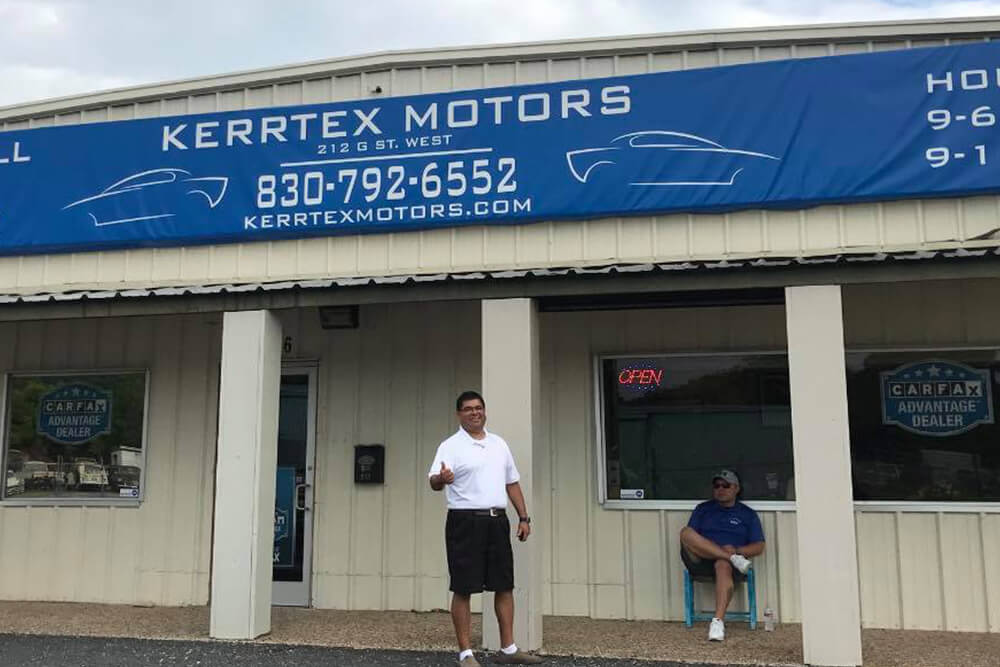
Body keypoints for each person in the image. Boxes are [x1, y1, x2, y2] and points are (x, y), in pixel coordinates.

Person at [428, 391, 543, 667]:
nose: (474, 412)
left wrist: (524, 517)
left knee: (504, 584)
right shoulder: (450, 446)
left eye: (478, 408)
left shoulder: (499, 444)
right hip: (464, 522)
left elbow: (511, 483)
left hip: (497, 521)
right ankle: (466, 654)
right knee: (464, 587)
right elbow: (433, 481)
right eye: (468, 409)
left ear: (485, 411)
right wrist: (442, 479)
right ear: (459, 414)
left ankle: (508, 649)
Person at [679, 469, 765, 642]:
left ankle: (717, 622)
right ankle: (729, 557)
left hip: (728, 565)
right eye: (717, 485)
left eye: (726, 485)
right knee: (685, 532)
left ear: (736, 488)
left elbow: (759, 546)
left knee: (722, 564)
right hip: (700, 558)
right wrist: (729, 554)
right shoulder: (703, 509)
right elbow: (691, 539)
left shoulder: (747, 514)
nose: (720, 489)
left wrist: (737, 551)